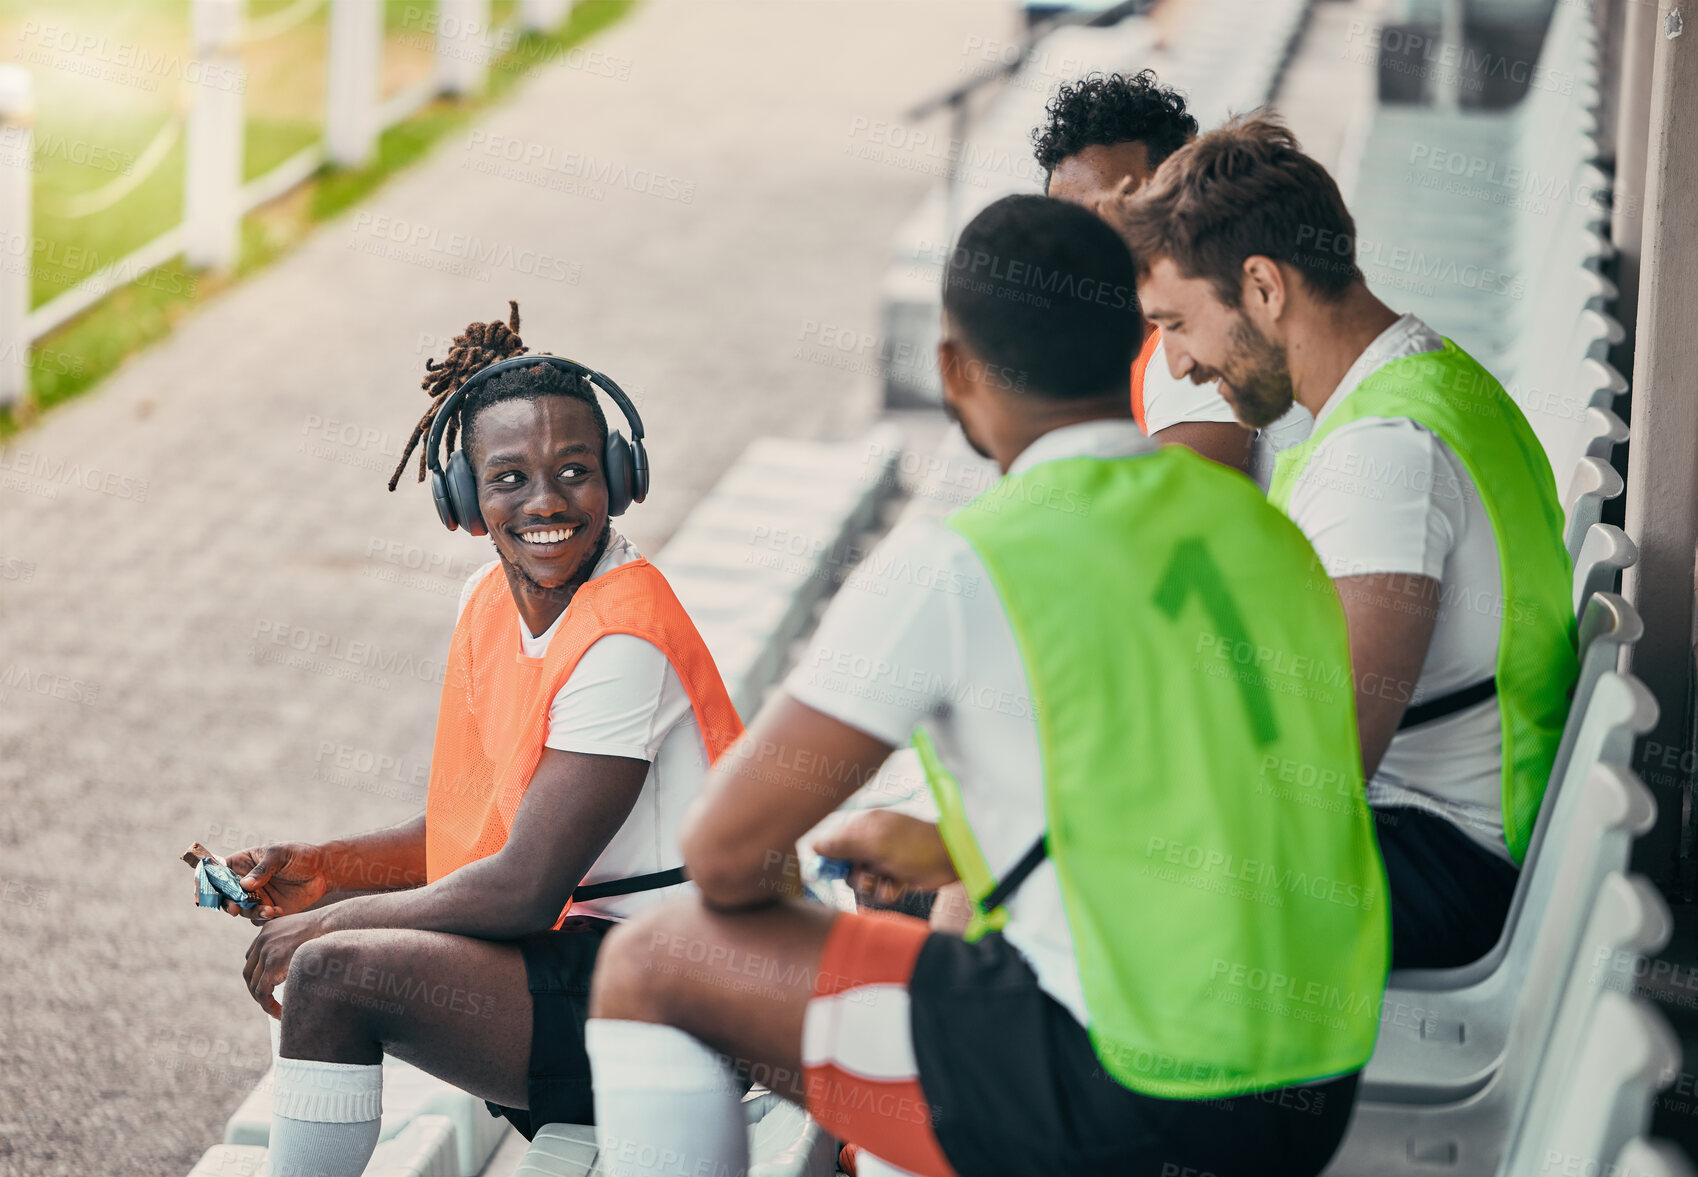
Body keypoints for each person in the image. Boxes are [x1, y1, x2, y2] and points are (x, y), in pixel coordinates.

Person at [581, 196, 1389, 1177]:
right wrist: (954, 843)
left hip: (1128, 1087)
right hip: (1316, 1084)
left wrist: (797, 942)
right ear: (1133, 340)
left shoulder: (964, 559)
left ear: (955, 369)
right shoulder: (1262, 526)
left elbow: (719, 849)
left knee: (651, 963)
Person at [211, 304, 743, 1176]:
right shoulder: (487, 604)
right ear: (461, 496)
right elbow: (484, 835)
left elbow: (522, 889)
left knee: (333, 975)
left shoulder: (622, 638)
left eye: (576, 470)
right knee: (337, 963)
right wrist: (331, 867)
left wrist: (328, 927)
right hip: (594, 970)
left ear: (619, 474)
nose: (545, 502)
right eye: (508, 478)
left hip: (686, 1000)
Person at [1109, 112, 1579, 969]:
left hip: (1444, 863)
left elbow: (1316, 772)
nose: (1176, 367)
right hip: (1440, 838)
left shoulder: (1385, 451)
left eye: (1176, 324)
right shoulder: (1419, 383)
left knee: (1027, 882)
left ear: (1261, 286)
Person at [1033, 69, 1311, 481]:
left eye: (1119, 207)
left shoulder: (1192, 345)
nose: (1084, 244)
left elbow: (1176, 535)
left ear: (1182, 197)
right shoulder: (1141, 336)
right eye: (1068, 221)